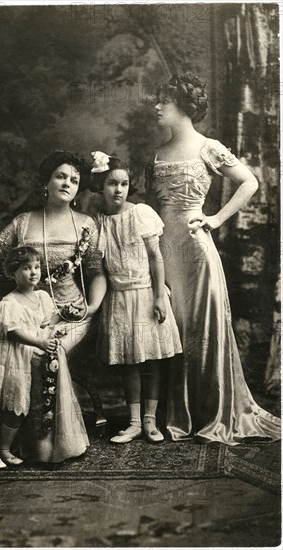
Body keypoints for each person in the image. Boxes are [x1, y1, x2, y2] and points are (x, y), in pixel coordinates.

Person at [147, 72, 281, 445]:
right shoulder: (157, 153)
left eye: (164, 101)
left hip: (196, 250)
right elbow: (149, 208)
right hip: (163, 250)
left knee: (202, 330)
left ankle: (212, 412)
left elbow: (250, 181)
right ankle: (176, 412)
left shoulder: (209, 147)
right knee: (173, 326)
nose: (156, 106)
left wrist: (216, 219)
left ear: (184, 107)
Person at [0, 150, 107, 462]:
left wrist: (91, 307)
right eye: (61, 176)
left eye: (74, 180)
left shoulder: (86, 225)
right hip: (29, 312)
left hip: (72, 314)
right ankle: (13, 442)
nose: (68, 183)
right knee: (24, 349)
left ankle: (53, 446)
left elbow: (97, 274)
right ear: (46, 182)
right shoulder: (24, 222)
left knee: (45, 351)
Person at [90, 152, 182, 444]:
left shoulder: (140, 213)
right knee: (129, 362)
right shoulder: (99, 222)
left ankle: (150, 420)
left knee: (151, 360)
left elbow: (156, 258)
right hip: (118, 297)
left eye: (124, 183)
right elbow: (100, 266)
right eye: (111, 184)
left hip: (145, 293)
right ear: (100, 187)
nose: (118, 190)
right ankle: (133, 423)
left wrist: (158, 296)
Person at [0, 246, 82, 468]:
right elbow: (14, 332)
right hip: (3, 355)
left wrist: (65, 313)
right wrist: (39, 342)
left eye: (37, 267)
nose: (33, 272)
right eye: (26, 268)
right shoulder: (9, 302)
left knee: (17, 405)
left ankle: (5, 449)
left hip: (22, 358)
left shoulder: (41, 296)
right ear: (12, 273)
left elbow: (44, 322)